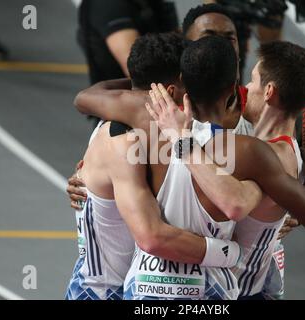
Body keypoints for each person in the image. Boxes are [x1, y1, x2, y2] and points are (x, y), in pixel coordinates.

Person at [65, 33, 241, 301]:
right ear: (172, 89)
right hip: (102, 292)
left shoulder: (133, 130)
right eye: (188, 84)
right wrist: (230, 253)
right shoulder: (122, 137)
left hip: (119, 287)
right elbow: (152, 237)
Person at [146, 40, 305, 300]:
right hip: (244, 285)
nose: (246, 89)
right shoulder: (282, 149)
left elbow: (234, 203)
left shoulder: (270, 157)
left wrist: (180, 139)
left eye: (252, 81)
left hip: (240, 289)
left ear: (269, 92)